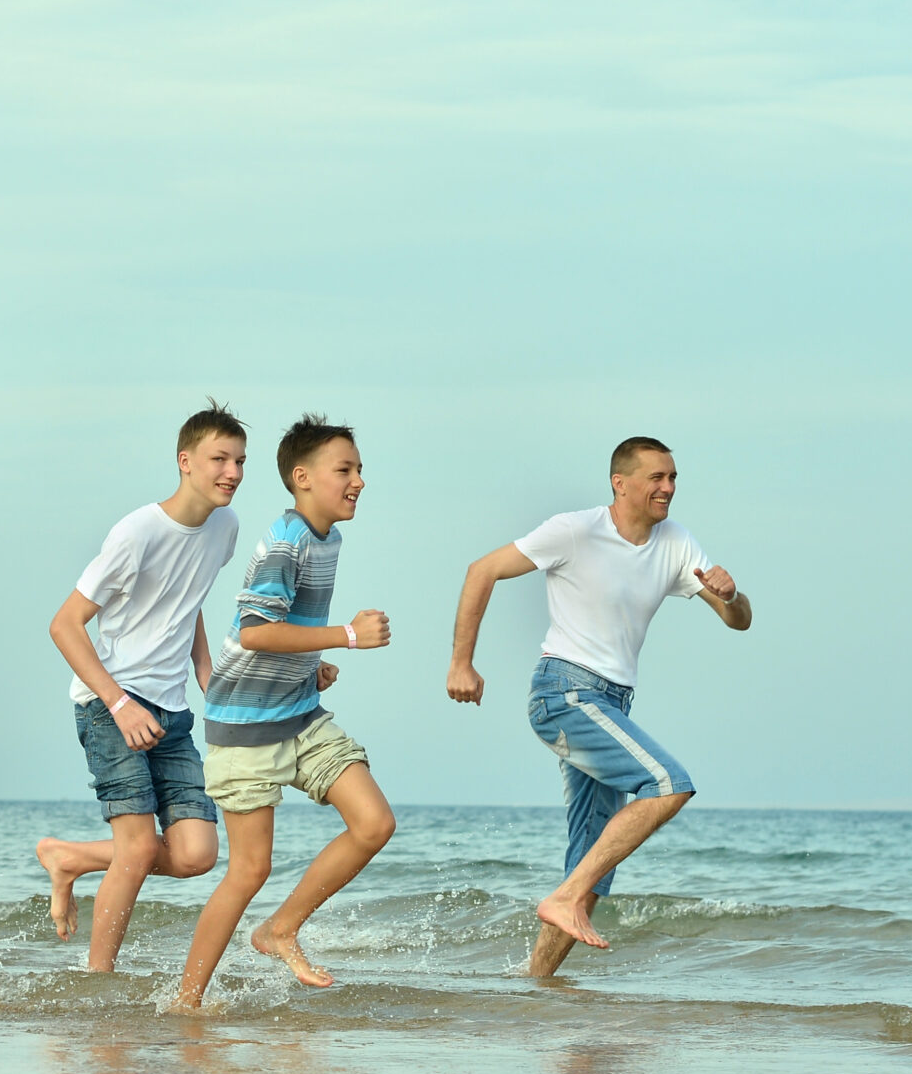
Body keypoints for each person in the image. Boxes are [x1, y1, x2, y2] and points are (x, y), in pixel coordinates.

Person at [444, 436, 752, 977]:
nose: (668, 488)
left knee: (589, 871)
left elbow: (739, 621)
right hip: (564, 693)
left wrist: (730, 594)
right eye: (657, 477)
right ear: (621, 482)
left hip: (612, 705)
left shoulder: (677, 543)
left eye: (674, 477)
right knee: (669, 783)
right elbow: (481, 570)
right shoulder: (576, 530)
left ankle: (535, 983)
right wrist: (461, 665)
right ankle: (563, 899)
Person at [172, 415, 396, 1011]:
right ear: (303, 478)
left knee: (374, 824)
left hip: (300, 713)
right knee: (248, 871)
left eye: (359, 470)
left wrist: (311, 663)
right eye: (345, 471)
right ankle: (187, 1004)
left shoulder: (329, 539)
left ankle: (280, 929)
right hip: (244, 726)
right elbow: (253, 632)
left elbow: (285, 631)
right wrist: (346, 635)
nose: (358, 482)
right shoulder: (285, 541)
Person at [33, 403, 247, 971]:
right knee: (134, 849)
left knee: (198, 854)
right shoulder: (137, 532)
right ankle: (98, 980)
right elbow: (65, 623)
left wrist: (208, 679)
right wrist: (119, 702)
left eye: (239, 461)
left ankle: (70, 857)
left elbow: (187, 602)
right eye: (218, 459)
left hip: (172, 710)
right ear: (185, 461)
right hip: (112, 704)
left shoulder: (224, 529)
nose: (231, 472)